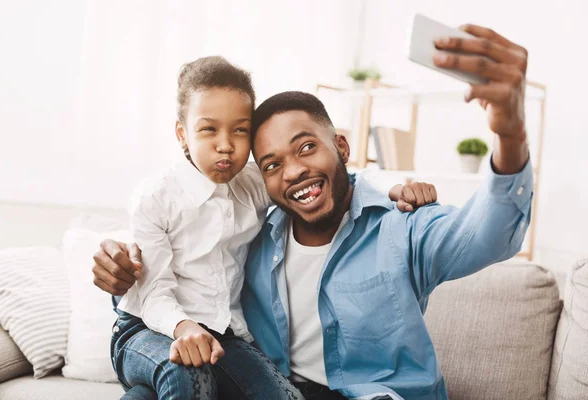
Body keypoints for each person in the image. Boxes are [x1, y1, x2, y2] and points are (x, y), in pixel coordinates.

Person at [94, 24, 532, 400]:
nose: (295, 172)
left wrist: (510, 133)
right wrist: (122, 268)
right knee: (164, 384)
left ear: (341, 146)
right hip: (244, 370)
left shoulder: (402, 228)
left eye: (306, 147)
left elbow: (492, 233)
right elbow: (177, 260)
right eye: (272, 165)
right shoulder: (259, 230)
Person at [106, 56, 437, 400]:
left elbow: (318, 179)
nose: (225, 144)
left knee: (281, 394)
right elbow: (153, 292)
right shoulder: (155, 198)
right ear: (182, 134)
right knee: (186, 374)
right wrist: (182, 327)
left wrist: (389, 192)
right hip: (149, 329)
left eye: (239, 130)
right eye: (209, 129)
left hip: (223, 334)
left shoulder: (254, 183)